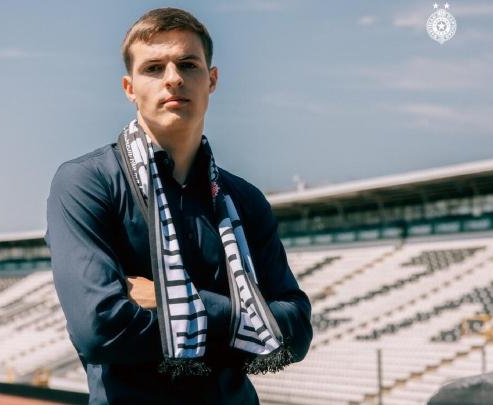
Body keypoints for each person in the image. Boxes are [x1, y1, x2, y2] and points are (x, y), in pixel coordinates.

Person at [46, 7, 312, 404]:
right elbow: (99, 330)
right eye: (153, 68)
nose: (173, 78)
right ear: (129, 87)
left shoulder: (245, 200)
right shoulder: (87, 183)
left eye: (188, 65)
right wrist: (246, 319)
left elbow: (297, 331)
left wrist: (169, 300)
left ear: (212, 79)